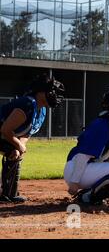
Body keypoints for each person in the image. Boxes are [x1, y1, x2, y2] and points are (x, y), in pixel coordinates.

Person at [0, 74, 65, 202]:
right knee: (14, 151)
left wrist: (20, 146)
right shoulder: (28, 103)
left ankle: (8, 194)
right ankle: (7, 194)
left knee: (15, 153)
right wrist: (18, 145)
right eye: (51, 91)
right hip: (2, 132)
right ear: (40, 92)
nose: (55, 95)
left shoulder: (42, 110)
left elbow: (27, 133)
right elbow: (5, 130)